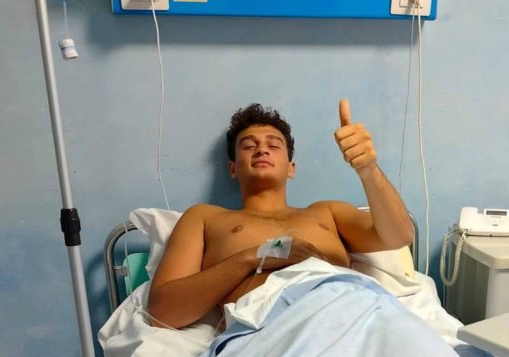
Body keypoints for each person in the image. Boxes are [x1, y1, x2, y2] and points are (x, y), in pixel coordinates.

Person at [147, 100, 414, 329]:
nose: (261, 149)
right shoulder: (205, 218)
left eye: (274, 145)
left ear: (291, 168)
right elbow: (163, 312)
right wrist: (255, 257)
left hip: (351, 315)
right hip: (267, 333)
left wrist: (368, 169)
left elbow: (399, 236)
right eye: (248, 146)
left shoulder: (327, 212)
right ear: (232, 168)